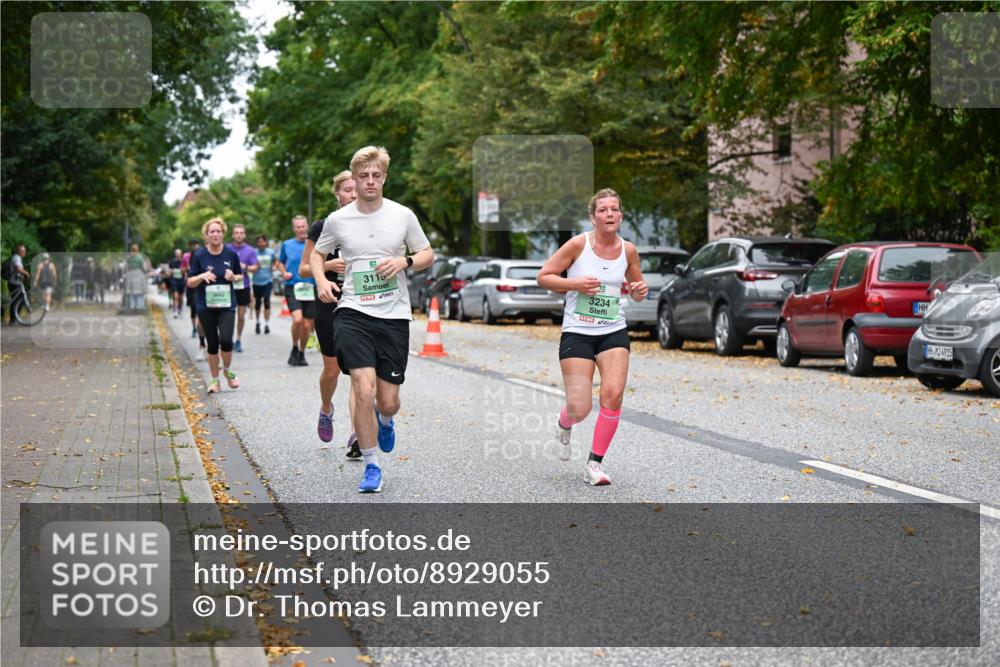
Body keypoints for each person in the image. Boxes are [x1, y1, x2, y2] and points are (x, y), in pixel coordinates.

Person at [313, 146, 435, 493]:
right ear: (354, 178)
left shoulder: (402, 215)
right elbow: (318, 255)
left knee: (388, 401)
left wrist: (405, 262)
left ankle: (386, 420)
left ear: (384, 177)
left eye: (375, 175)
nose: (369, 181)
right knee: (362, 390)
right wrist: (322, 281)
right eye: (363, 176)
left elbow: (427, 253)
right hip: (352, 312)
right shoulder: (338, 220)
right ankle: (371, 464)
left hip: (393, 315)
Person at [537, 188, 648, 486]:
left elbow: (637, 287)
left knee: (612, 395)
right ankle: (565, 423)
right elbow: (544, 275)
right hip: (578, 331)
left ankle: (594, 465)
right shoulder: (578, 245)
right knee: (580, 407)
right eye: (603, 210)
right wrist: (576, 284)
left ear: (621, 215)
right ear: (593, 217)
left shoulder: (628, 250)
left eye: (614, 209)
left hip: (613, 330)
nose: (609, 214)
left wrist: (639, 290)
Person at [301, 170, 360, 456]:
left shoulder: (368, 225)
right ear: (337, 193)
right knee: (333, 369)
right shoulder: (323, 226)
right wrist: (328, 266)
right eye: (348, 190)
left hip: (359, 303)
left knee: (357, 370)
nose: (354, 194)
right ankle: (326, 409)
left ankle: (357, 432)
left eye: (357, 189)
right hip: (328, 304)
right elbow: (304, 268)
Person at [187, 217, 242, 394]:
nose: (215, 234)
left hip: (227, 304)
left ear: (223, 233)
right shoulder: (199, 256)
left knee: (226, 340)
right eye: (212, 231)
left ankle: (226, 370)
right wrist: (202, 276)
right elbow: (190, 282)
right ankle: (214, 380)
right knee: (212, 344)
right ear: (206, 235)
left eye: (218, 231)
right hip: (206, 306)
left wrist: (233, 277)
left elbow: (240, 276)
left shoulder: (231, 254)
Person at [275, 215, 316, 367]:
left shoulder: (313, 244)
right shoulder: (287, 245)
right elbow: (280, 263)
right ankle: (294, 346)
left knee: (306, 325)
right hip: (292, 286)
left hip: (310, 287)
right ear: (294, 229)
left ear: (307, 226)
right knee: (297, 319)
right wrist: (284, 272)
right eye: (298, 227)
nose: (301, 229)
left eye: (303, 226)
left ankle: (301, 352)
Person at [227, 224, 259, 353]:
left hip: (243, 286)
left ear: (244, 235)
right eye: (236, 233)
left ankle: (238, 339)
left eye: (241, 233)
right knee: (228, 315)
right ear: (233, 235)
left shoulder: (250, 250)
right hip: (229, 285)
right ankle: (227, 339)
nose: (239, 235)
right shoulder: (226, 249)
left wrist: (244, 267)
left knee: (240, 315)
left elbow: (255, 267)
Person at [182, 239, 207, 360]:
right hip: (198, 290)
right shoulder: (197, 253)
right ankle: (202, 345)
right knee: (201, 319)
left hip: (216, 292)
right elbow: (191, 274)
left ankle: (214, 347)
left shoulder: (224, 252)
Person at [252, 234, 275, 335]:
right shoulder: (253, 253)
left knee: (266, 301)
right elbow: (250, 264)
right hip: (256, 281)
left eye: (262, 242)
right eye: (259, 242)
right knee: (257, 303)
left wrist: (274, 266)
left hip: (268, 280)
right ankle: (257, 322)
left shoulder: (271, 252)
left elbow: (276, 262)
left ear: (266, 242)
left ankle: (267, 324)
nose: (261, 244)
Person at [6, 244, 30, 324]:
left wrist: (22, 276)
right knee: (18, 301)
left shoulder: (17, 258)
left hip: (15, 282)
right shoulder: (17, 257)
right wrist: (26, 273)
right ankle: (13, 320)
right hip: (14, 283)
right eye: (23, 251)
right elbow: (18, 268)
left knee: (17, 301)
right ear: (20, 251)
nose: (24, 252)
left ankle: (14, 319)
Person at [124, 244, 150, 311]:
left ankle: (132, 306)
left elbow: (126, 267)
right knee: (140, 292)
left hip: (130, 274)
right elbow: (144, 268)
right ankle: (139, 306)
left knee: (131, 292)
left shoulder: (128, 257)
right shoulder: (140, 257)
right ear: (138, 250)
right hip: (138, 274)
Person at [168, 249, 185, 317]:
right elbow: (169, 272)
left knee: (180, 297)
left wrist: (183, 270)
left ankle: (180, 308)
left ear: (181, 254)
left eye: (179, 253)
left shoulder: (183, 262)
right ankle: (175, 311)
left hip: (181, 280)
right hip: (174, 280)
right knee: (175, 296)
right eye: (176, 253)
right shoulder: (172, 262)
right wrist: (170, 271)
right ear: (175, 254)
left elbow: (186, 270)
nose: (178, 255)